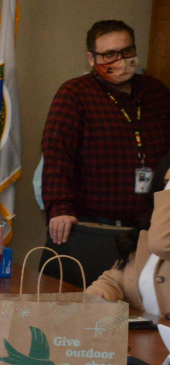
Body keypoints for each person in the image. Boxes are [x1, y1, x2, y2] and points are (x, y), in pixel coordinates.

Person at [41, 19, 170, 280]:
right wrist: (59, 208)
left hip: (149, 229)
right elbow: (57, 155)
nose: (120, 61)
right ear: (91, 58)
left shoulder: (156, 92)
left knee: (139, 308)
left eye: (127, 51)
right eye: (109, 54)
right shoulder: (75, 93)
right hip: (93, 227)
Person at [88, 155, 170, 321]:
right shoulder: (147, 227)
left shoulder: (160, 237)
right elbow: (116, 279)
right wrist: (98, 295)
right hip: (146, 340)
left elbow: (161, 245)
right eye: (165, 184)